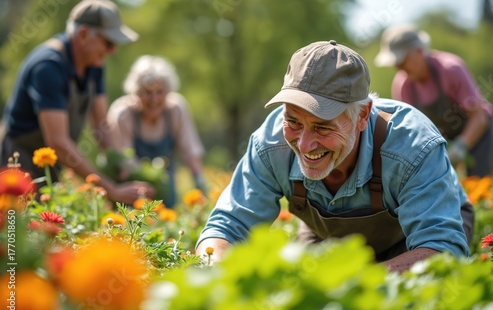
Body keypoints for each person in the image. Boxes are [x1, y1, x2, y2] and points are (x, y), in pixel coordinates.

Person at [195, 40, 473, 273]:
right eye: (293, 121)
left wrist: (356, 281)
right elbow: (228, 227)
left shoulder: (412, 145)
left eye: (322, 126)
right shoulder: (270, 145)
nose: (304, 144)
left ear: (362, 115)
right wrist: (213, 272)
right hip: (328, 237)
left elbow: (441, 249)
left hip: (414, 239)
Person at [0, 0, 154, 205]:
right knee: (15, 232)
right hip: (16, 163)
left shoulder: (94, 64)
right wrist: (111, 189)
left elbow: (102, 127)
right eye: (109, 42)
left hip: (51, 166)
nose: (113, 50)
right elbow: (58, 142)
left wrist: (122, 166)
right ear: (82, 34)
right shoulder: (48, 67)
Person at [374, 24, 493, 177]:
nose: (398, 66)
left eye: (402, 59)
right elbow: (410, 132)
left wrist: (460, 147)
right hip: (443, 139)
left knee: (479, 181)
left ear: (419, 51)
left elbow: (479, 117)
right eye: (395, 62)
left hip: (477, 131)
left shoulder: (451, 69)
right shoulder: (402, 85)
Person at [107, 55, 207, 208]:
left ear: (168, 91)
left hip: (166, 187)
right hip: (131, 189)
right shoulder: (123, 114)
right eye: (147, 92)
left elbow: (190, 151)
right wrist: (145, 187)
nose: (154, 99)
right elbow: (124, 162)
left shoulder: (176, 110)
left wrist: (200, 185)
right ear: (135, 92)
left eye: (160, 92)